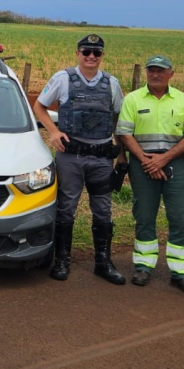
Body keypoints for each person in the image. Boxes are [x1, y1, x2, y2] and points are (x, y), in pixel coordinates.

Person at [33, 33, 127, 284]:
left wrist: (121, 154)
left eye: (96, 53)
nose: (91, 57)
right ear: (77, 53)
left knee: (103, 210)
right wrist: (53, 133)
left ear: (102, 56)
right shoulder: (62, 79)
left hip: (101, 159)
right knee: (66, 208)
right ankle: (62, 260)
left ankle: (103, 262)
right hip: (71, 156)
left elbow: (119, 119)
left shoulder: (112, 84)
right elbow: (39, 107)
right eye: (86, 52)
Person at [115, 55, 184, 294]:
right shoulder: (132, 99)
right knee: (144, 216)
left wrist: (163, 159)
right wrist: (145, 160)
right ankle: (143, 266)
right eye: (151, 70)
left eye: (161, 70)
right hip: (142, 165)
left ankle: (181, 273)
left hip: (174, 164)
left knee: (181, 217)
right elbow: (124, 132)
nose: (155, 74)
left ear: (171, 73)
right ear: (146, 73)